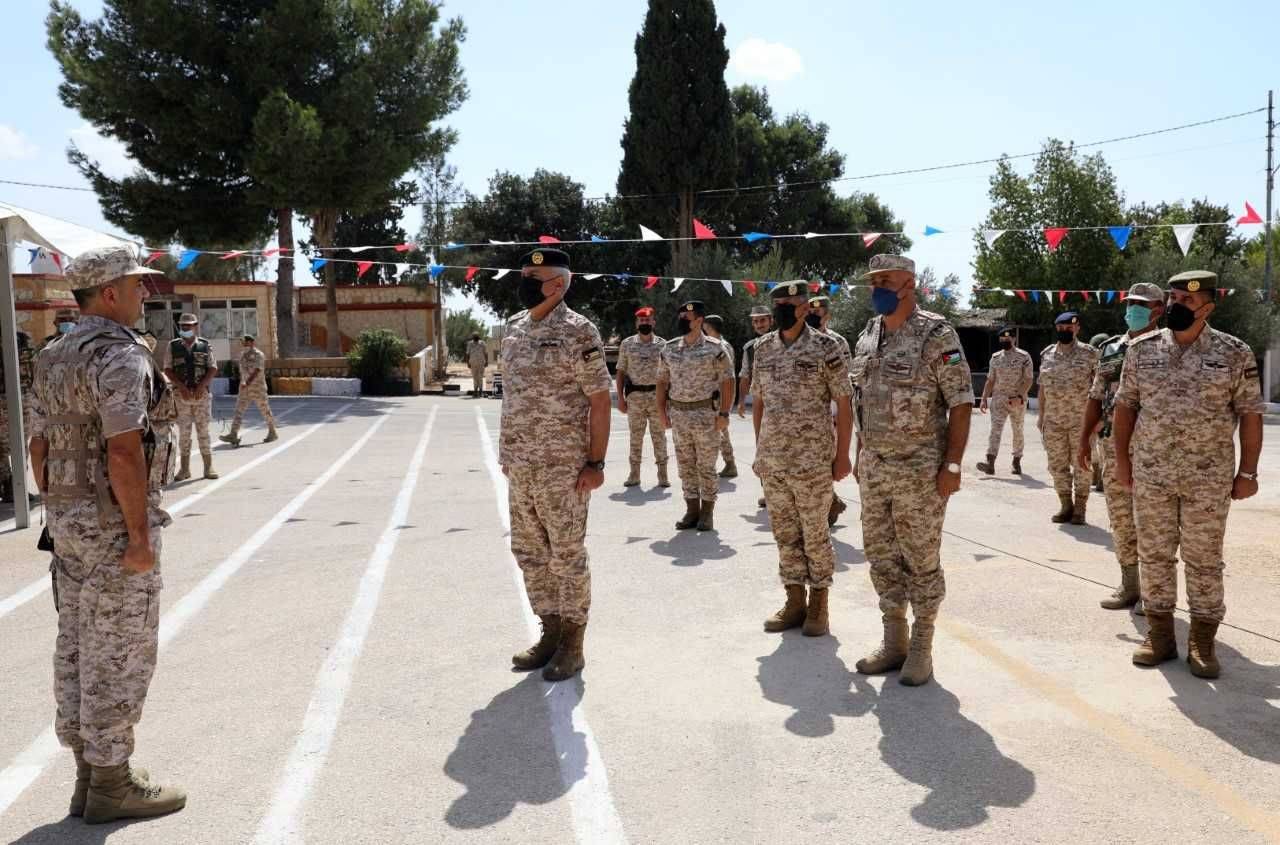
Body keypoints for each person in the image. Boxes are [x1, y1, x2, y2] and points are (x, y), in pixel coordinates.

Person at [27, 244, 186, 823]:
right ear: (110, 293)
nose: (145, 293)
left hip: (66, 521)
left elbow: (38, 446)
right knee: (119, 648)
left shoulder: (52, 354)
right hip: (112, 522)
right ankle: (113, 783)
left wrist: (61, 510)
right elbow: (124, 451)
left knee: (76, 643)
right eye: (137, 285)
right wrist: (138, 537)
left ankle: (87, 778)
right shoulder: (121, 355)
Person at [1114, 270, 1263, 679]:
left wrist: (1248, 472)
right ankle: (1160, 635)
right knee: (1154, 555)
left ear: (1207, 307)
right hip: (1152, 473)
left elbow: (1251, 414)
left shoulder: (1234, 352)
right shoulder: (1142, 350)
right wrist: (1123, 462)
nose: (1178, 305)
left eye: (1188, 301)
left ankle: (1202, 640)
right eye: (1174, 298)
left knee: (1204, 560)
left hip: (1207, 478)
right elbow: (1126, 407)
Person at [851, 255, 973, 687]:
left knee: (921, 558)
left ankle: (922, 645)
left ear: (909, 284)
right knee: (881, 555)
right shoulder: (869, 333)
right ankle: (894, 641)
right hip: (875, 467)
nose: (877, 288)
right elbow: (862, 398)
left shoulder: (937, 334)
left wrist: (952, 464)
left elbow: (961, 401)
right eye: (874, 281)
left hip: (920, 470)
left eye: (886, 280)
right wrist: (859, 451)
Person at [502, 248, 611, 682]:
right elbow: (512, 398)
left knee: (566, 555)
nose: (524, 281)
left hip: (563, 469)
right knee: (529, 552)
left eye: (534, 276)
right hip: (520, 465)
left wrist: (595, 462)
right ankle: (549, 631)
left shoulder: (578, 331)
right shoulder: (513, 327)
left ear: (558, 284)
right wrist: (508, 455)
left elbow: (599, 402)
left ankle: (573, 642)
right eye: (524, 274)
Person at [753, 282, 854, 637]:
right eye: (778, 302)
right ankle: (794, 601)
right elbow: (759, 402)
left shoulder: (826, 347)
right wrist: (759, 450)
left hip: (813, 460)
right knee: (784, 532)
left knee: (815, 533)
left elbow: (844, 403)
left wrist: (843, 456)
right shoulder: (763, 348)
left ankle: (819, 604)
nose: (782, 307)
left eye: (789, 302)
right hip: (774, 458)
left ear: (804, 307)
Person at [1078, 283, 1164, 613]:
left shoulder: (1170, 347)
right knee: (1121, 518)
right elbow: (1096, 395)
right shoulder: (1112, 348)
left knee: (1153, 523)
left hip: (1155, 449)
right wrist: (1084, 441)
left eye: (1141, 305)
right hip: (1114, 446)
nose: (1133, 310)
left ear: (1158, 310)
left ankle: (1154, 593)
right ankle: (1130, 585)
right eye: (1130, 304)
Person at [657, 301, 734, 531]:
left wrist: (724, 413)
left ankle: (707, 512)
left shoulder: (715, 348)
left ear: (699, 321)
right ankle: (691, 510)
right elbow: (661, 381)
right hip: (679, 415)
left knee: (706, 466)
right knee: (685, 466)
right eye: (681, 316)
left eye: (686, 318)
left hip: (706, 415)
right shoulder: (669, 348)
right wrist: (661, 412)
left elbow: (728, 381)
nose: (681, 320)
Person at [1036, 312, 1098, 524]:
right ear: (1057, 328)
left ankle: (1080, 507)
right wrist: (1041, 416)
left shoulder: (1090, 354)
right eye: (1061, 328)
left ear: (1077, 328)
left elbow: (1100, 388)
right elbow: (1042, 388)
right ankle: (1065, 504)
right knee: (1056, 465)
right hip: (1053, 422)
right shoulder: (1047, 355)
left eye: (1069, 328)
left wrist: (1097, 419)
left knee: (1082, 464)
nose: (1065, 331)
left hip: (1081, 421)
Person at [808, 294, 853, 526]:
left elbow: (845, 379)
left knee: (825, 461)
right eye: (810, 312)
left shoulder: (837, 342)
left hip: (830, 408)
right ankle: (830, 503)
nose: (813, 316)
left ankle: (829, 505)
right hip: (805, 408)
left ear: (827, 316)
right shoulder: (801, 338)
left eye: (817, 313)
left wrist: (838, 415)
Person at [615, 306, 669, 488]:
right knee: (635, 437)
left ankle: (663, 474)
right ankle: (634, 474)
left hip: (656, 397)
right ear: (636, 323)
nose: (644, 323)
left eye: (648, 320)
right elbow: (620, 372)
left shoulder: (663, 345)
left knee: (659, 436)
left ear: (653, 322)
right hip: (635, 398)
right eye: (641, 320)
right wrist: (620, 399)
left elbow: (669, 374)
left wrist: (668, 401)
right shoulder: (627, 344)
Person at [164, 313, 218, 481]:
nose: (185, 328)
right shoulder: (173, 346)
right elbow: (167, 369)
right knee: (184, 433)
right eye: (183, 326)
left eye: (188, 326)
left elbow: (213, 368)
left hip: (201, 395)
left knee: (203, 431)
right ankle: (185, 469)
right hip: (182, 396)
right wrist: (181, 387)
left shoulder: (204, 345)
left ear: (195, 326)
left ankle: (208, 466)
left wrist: (202, 386)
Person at [976, 327, 1033, 476]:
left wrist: (1019, 396)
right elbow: (990, 380)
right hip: (999, 399)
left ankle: (1016, 461)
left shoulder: (1024, 356)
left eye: (1008, 339)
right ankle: (990, 462)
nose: (1005, 341)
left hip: (1017, 400)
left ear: (1014, 339)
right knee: (995, 430)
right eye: (1002, 339)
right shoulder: (995, 358)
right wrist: (983, 399)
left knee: (1017, 430)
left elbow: (1028, 379)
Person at [738, 305, 773, 508]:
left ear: (771, 321)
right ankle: (769, 492)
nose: (759, 324)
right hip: (762, 404)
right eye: (756, 321)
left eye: (763, 320)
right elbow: (745, 374)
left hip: (784, 405)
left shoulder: (783, 340)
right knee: (762, 446)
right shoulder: (750, 348)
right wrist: (742, 401)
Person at [219, 334, 278, 447]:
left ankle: (272, 432)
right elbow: (242, 372)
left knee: (265, 410)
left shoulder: (258, 354)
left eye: (245, 342)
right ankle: (233, 434)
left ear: (252, 342)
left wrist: (247, 382)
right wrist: (242, 382)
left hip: (257, 388)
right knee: (238, 411)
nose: (243, 344)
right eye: (242, 342)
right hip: (245, 389)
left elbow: (257, 370)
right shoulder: (242, 355)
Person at [0, 330, 37, 503]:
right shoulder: (22, 338)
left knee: (7, 446)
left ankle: (10, 484)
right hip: (22, 396)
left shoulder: (22, 339)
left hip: (19, 397)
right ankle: (13, 485)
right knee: (19, 443)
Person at [702, 314, 738, 479]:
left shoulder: (721, 346)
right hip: (714, 394)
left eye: (704, 325)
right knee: (720, 430)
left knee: (720, 429)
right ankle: (728, 463)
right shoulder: (717, 344)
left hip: (718, 395)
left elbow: (727, 375)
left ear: (708, 327)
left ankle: (730, 463)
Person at [466, 332, 488, 398]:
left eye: (476, 336)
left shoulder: (482, 343)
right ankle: (475, 391)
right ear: (473, 337)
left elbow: (486, 353)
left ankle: (480, 391)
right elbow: (467, 354)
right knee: (475, 377)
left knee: (480, 377)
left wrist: (486, 361)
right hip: (473, 363)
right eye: (474, 336)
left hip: (481, 362)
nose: (475, 337)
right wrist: (468, 363)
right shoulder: (470, 344)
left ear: (478, 337)